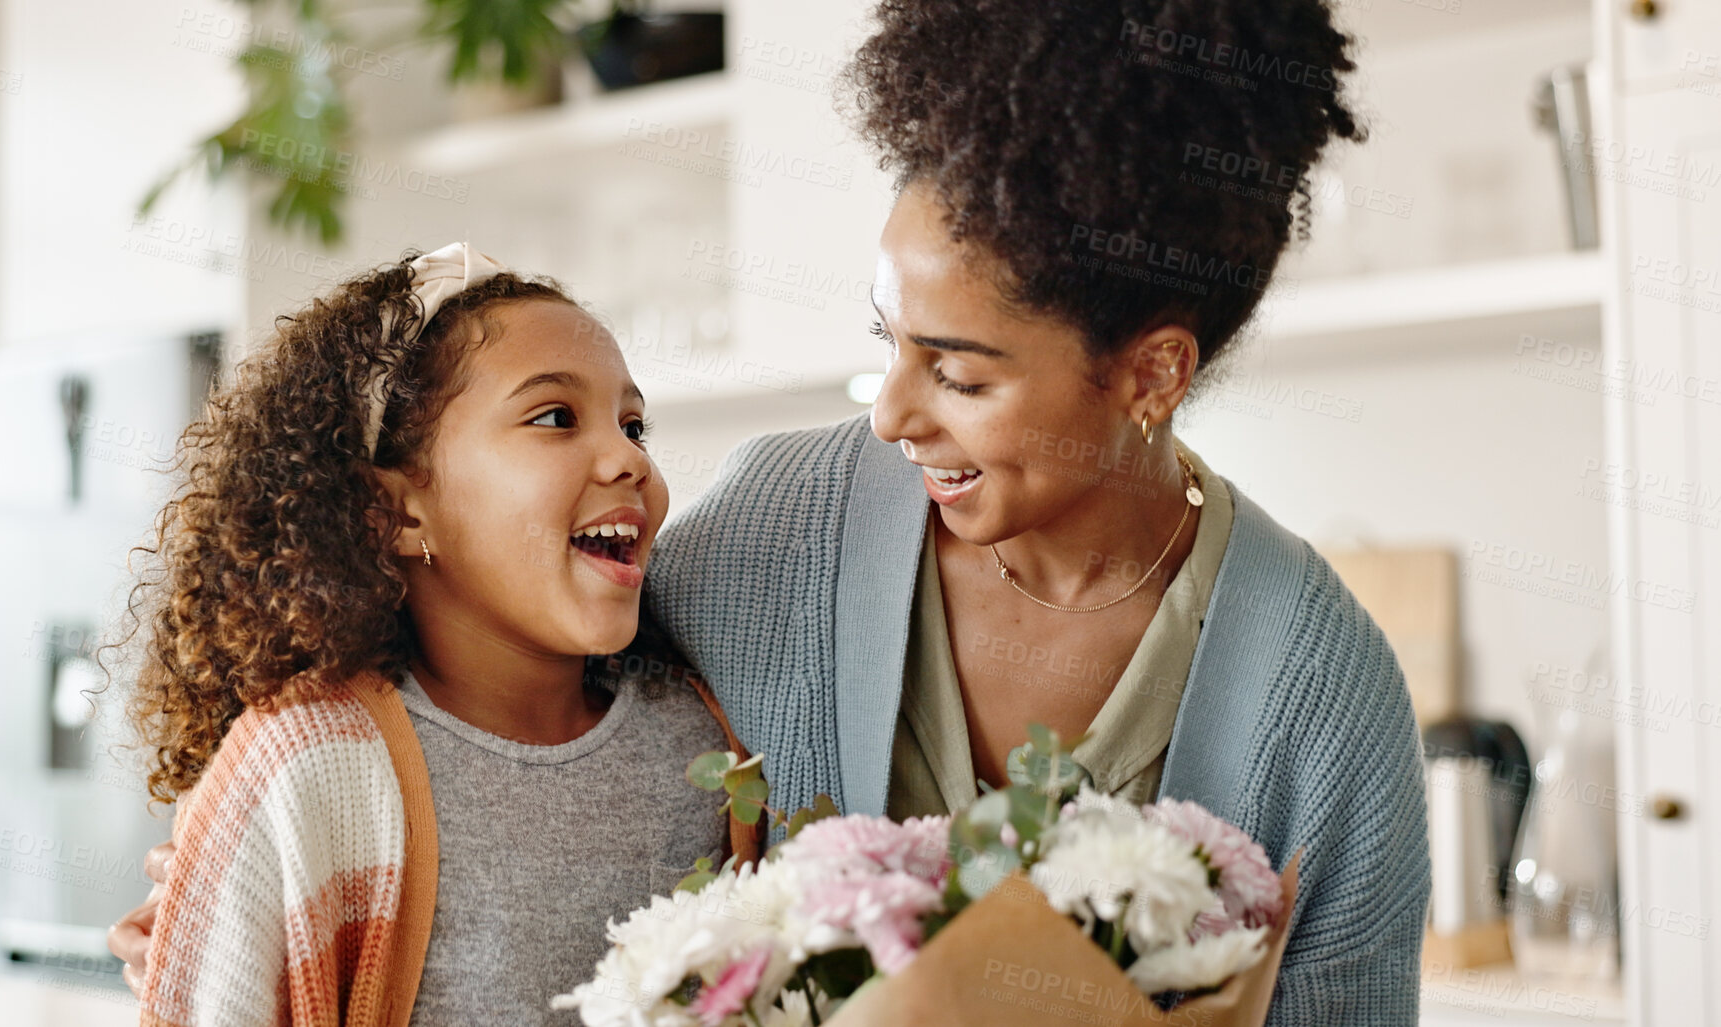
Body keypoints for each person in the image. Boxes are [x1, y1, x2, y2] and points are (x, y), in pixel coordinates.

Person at [121, 0, 1428, 1021]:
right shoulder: (771, 541)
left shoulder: (1319, 702)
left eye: (959, 372)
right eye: (888, 342)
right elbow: (495, 658)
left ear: (1148, 374)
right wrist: (253, 849)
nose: (892, 412)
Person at [109, 243, 758, 1027]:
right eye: (554, 416)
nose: (627, 458)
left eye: (633, 424)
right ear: (399, 512)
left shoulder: (700, 743)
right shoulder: (313, 765)